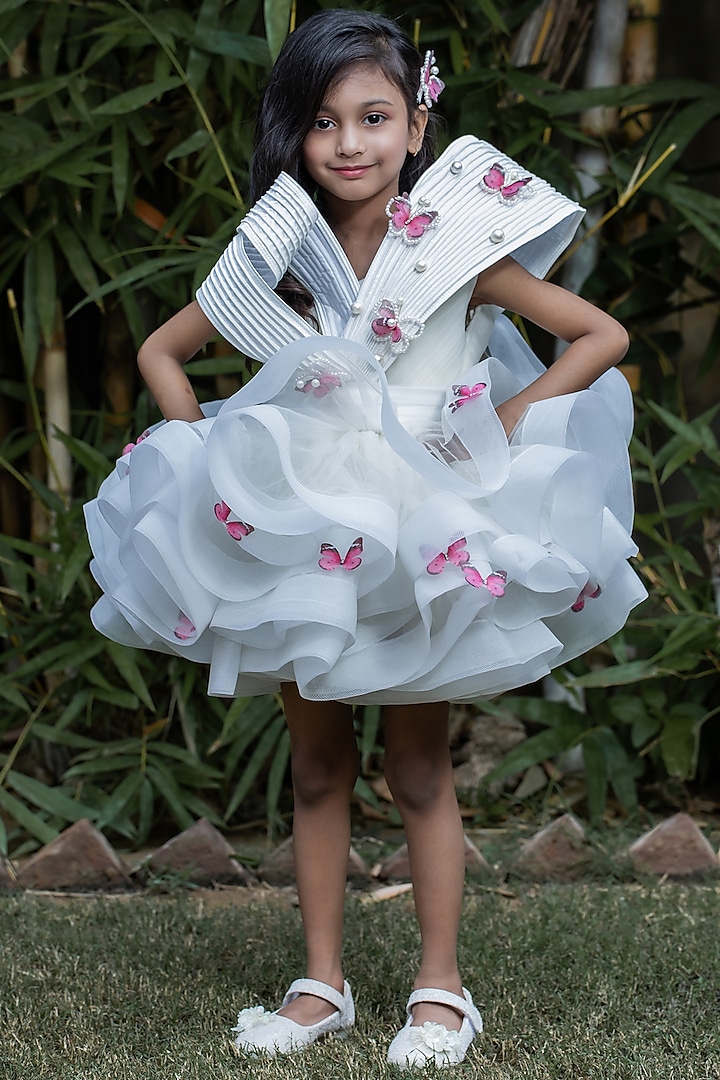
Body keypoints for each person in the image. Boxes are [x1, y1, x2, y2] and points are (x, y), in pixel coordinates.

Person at [84, 8, 646, 1069]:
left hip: (418, 528)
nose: (351, 143)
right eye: (325, 121)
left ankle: (441, 989)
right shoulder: (279, 257)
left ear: (415, 126)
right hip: (309, 538)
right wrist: (202, 447)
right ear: (295, 134)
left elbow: (598, 336)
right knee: (315, 763)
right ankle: (321, 983)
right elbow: (168, 350)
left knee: (421, 765)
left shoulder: (457, 254)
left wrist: (513, 416)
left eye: (375, 117)